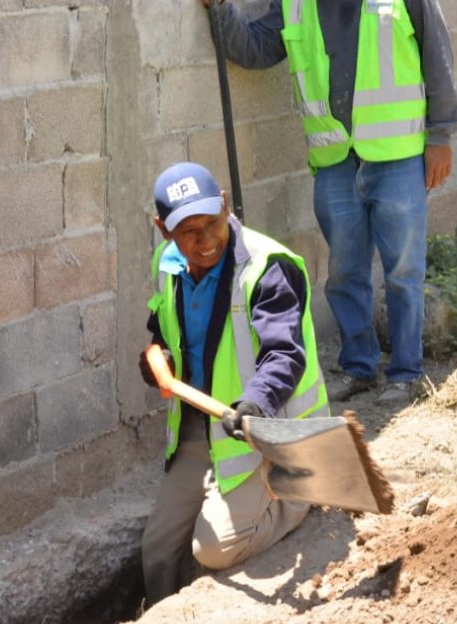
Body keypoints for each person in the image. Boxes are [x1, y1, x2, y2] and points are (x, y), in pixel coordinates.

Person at [201, 0, 457, 404]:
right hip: (335, 159)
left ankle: (406, 373)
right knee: (343, 273)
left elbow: (437, 55)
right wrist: (220, 10)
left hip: (397, 154)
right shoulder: (295, 4)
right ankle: (359, 366)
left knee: (403, 272)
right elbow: (254, 48)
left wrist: (440, 136)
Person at [138, 162, 330, 604]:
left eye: (212, 223)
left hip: (265, 433)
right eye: (188, 232)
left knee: (213, 549)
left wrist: (256, 403)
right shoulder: (167, 266)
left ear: (225, 204)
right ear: (163, 230)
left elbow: (285, 354)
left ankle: (295, 496)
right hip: (203, 433)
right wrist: (159, 359)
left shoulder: (266, 268)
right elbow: (162, 331)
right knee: (157, 550)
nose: (205, 242)